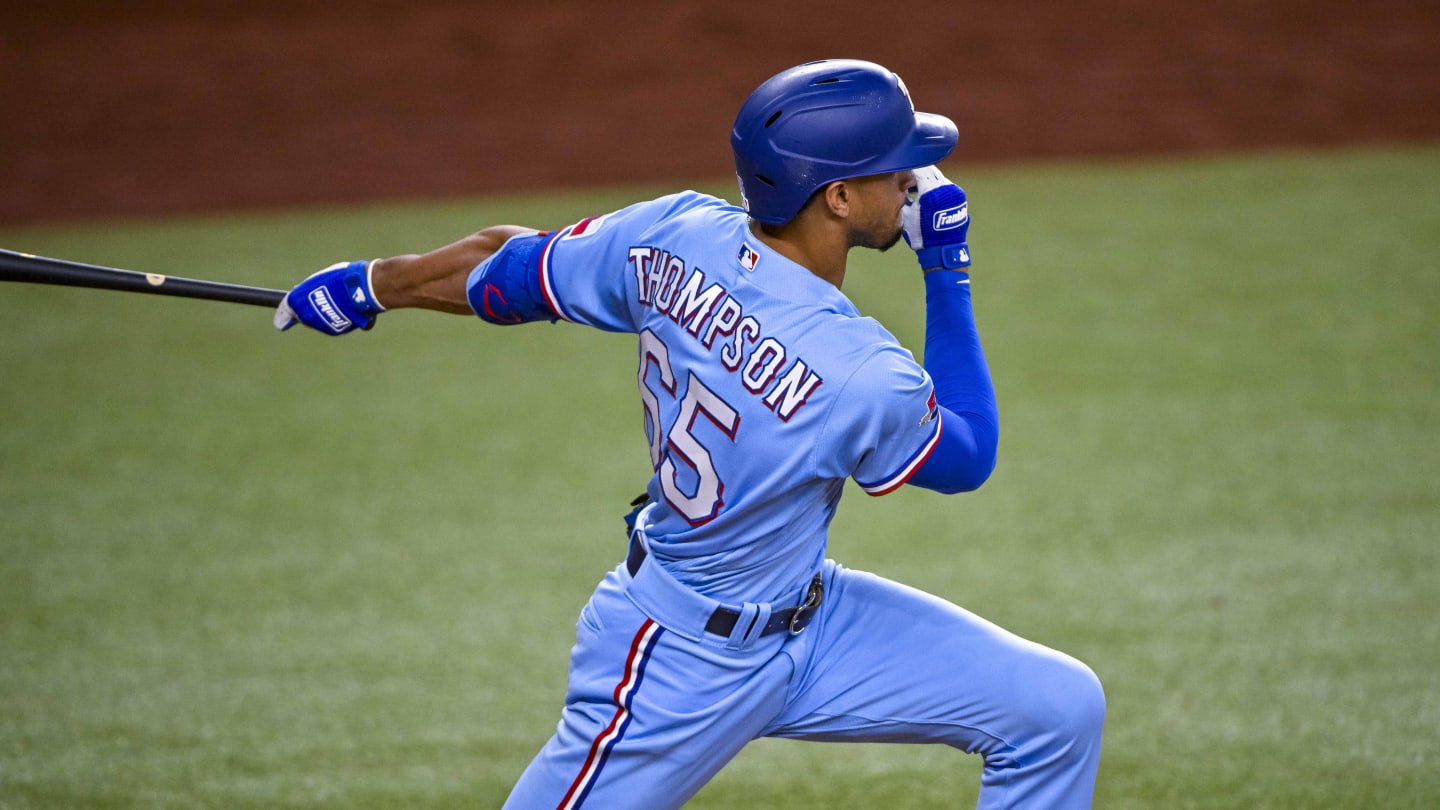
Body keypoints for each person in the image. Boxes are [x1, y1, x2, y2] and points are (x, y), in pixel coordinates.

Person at [275, 59, 1104, 809]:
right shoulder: (860, 371)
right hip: (677, 660)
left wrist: (375, 284)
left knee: (1057, 711)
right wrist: (945, 270)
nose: (917, 182)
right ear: (839, 198)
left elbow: (506, 269)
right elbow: (968, 457)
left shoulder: (669, 235)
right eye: (897, 168)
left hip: (815, 626)